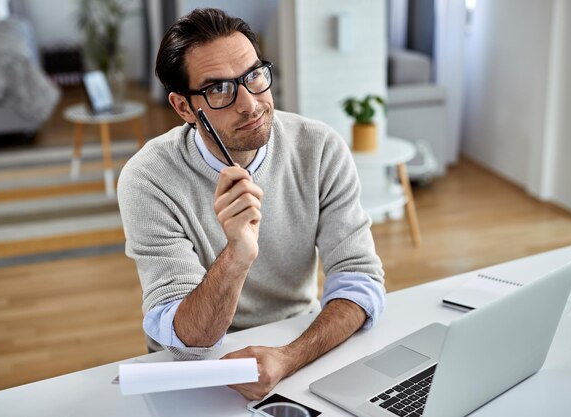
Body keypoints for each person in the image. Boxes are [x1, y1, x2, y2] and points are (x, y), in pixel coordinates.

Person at [117, 7, 385, 400]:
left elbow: (360, 281)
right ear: (184, 108)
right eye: (219, 89)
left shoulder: (320, 147)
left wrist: (288, 357)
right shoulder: (148, 179)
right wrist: (238, 254)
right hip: (195, 370)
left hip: (298, 343)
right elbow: (189, 342)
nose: (249, 103)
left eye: (254, 76)